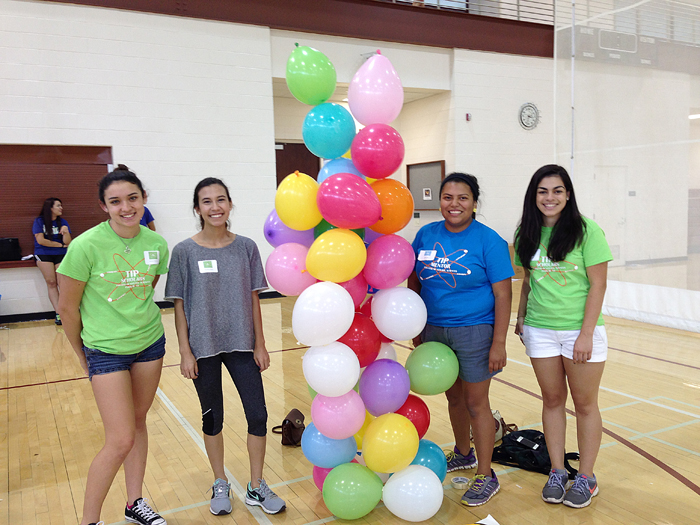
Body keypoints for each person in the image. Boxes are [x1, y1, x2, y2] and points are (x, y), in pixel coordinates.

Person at [165, 177, 286, 516]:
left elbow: (253, 299)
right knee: (212, 418)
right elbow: (178, 304)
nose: (215, 207)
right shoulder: (184, 252)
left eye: (221, 200)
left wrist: (260, 344)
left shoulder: (246, 247)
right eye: (207, 201)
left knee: (258, 414)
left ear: (230, 204)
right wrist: (185, 351)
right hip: (203, 347)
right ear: (197, 209)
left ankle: (256, 485)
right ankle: (220, 481)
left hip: (242, 344)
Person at [57, 165, 169, 525]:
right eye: (116, 201)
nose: (126, 207)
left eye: (132, 198)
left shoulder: (156, 243)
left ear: (144, 199)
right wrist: (81, 354)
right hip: (105, 352)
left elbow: (145, 291)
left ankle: (134, 503)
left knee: (137, 423)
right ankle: (89, 521)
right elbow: (67, 308)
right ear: (104, 206)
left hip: (149, 344)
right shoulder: (84, 246)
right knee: (119, 439)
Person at [408, 172, 513, 507]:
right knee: (453, 399)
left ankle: (486, 474)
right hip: (436, 330)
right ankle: (464, 454)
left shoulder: (489, 241)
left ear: (474, 203)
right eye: (448, 198)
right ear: (440, 201)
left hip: (475, 330)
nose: (454, 205)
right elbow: (414, 280)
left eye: (462, 198)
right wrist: (417, 324)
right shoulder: (425, 235)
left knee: (476, 403)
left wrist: (499, 343)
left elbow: (503, 295)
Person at [514, 164, 612, 509]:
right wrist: (522, 316)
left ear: (568, 194)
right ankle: (558, 471)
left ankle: (585, 477)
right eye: (543, 191)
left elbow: (598, 285)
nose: (550, 197)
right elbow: (528, 280)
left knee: (585, 404)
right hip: (540, 330)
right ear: (534, 196)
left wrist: (585, 335)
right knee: (552, 400)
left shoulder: (587, 231)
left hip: (580, 331)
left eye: (557, 190)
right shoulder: (525, 232)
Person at [33, 197, 71, 324]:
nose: (61, 208)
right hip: (44, 254)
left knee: (63, 283)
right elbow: (41, 240)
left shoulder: (63, 222)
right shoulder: (39, 221)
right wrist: (59, 245)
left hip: (60, 255)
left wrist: (65, 233)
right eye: (58, 206)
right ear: (50, 208)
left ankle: (68, 311)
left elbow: (68, 243)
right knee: (51, 282)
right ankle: (58, 313)